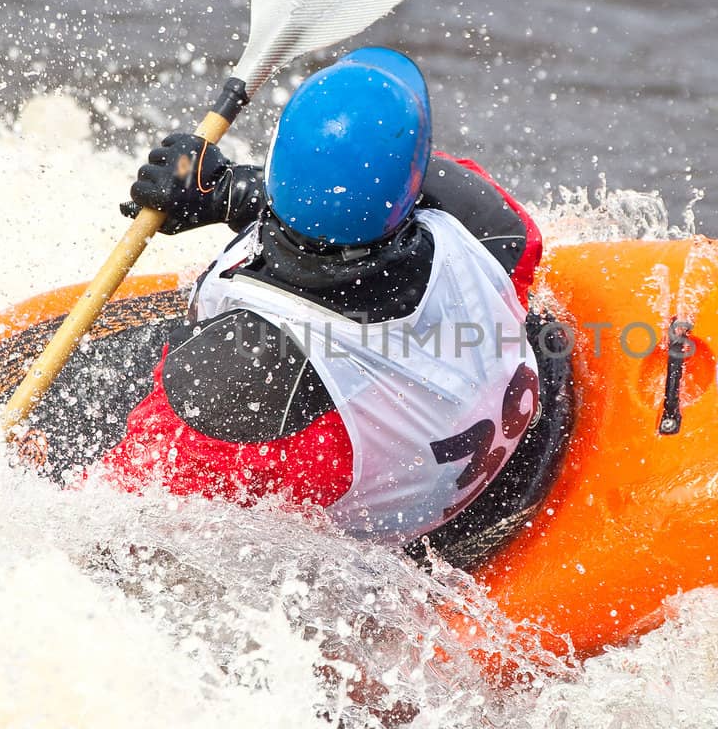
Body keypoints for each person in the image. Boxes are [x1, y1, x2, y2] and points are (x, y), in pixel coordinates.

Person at [97, 48, 554, 549]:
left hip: (389, 536)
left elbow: (132, 508)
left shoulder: (249, 374)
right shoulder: (491, 229)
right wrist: (231, 192)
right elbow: (359, 210)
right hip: (507, 465)